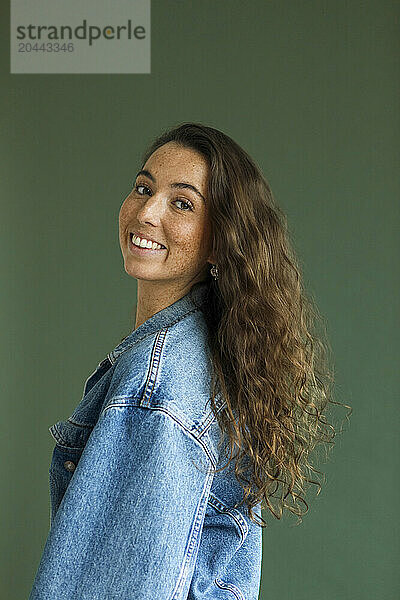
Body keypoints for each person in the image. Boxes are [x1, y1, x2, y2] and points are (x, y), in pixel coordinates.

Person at [29, 122, 349, 599]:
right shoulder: (207, 359)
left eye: (182, 203)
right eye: (143, 187)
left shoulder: (156, 387)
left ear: (220, 241)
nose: (147, 211)